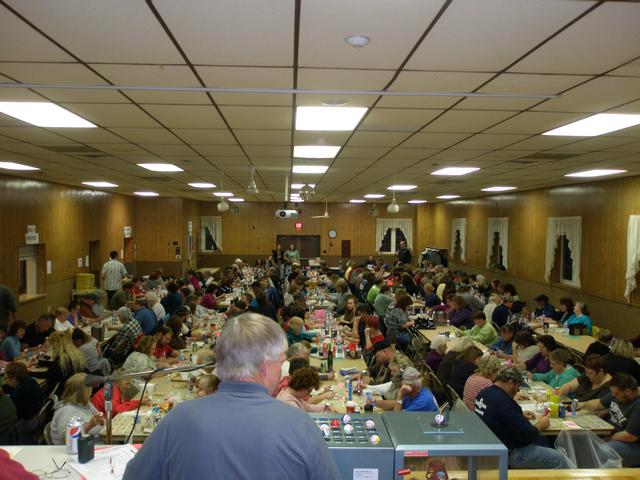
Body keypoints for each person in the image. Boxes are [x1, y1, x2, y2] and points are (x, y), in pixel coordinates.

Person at [123, 313, 340, 479]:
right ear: (264, 367)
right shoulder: (299, 425)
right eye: (281, 362)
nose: (283, 368)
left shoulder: (176, 420)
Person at [474, 367, 572, 469]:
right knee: (558, 458)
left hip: (492, 445)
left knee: (544, 443)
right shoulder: (505, 402)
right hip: (510, 452)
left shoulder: (484, 393)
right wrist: (540, 424)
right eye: (518, 387)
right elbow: (526, 435)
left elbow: (497, 416)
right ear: (511, 383)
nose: (517, 391)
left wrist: (517, 415)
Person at [579, 373, 640, 467]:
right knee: (580, 438)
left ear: (628, 391)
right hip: (612, 434)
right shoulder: (618, 392)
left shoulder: (637, 405)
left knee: (604, 451)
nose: (613, 396)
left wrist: (607, 439)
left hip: (632, 444)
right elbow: (598, 404)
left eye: (615, 394)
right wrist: (581, 404)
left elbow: (630, 436)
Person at [50, 373, 105, 445]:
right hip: (76, 451)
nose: (91, 392)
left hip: (93, 444)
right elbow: (67, 439)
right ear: (83, 391)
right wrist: (90, 425)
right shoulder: (66, 410)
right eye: (90, 389)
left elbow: (99, 420)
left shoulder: (85, 403)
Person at [32, 330, 86, 396]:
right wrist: (40, 362)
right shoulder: (71, 354)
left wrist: (29, 373)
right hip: (73, 388)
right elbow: (57, 366)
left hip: (61, 392)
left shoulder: (61, 358)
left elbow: (48, 374)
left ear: (55, 344)